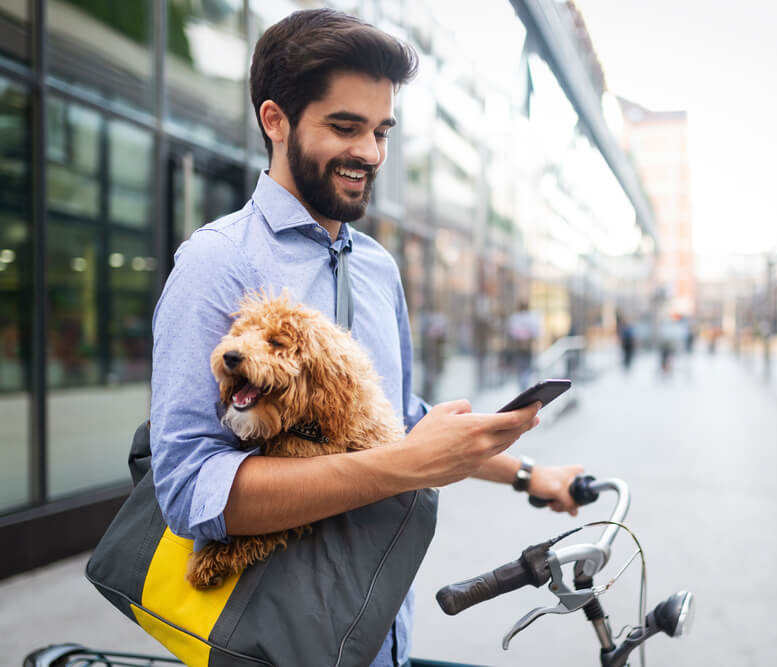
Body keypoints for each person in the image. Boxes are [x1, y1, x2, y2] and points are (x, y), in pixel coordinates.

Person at [149, 10, 583, 666]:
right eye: (345, 127)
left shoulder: (378, 267)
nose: (372, 153)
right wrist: (404, 466)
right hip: (268, 640)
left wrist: (528, 472)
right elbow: (189, 489)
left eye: (382, 131)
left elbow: (396, 427)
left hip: (379, 631)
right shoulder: (218, 261)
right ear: (276, 120)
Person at [507, 301, 541, 390]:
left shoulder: (515, 318)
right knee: (526, 367)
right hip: (527, 347)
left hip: (520, 347)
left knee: (521, 367)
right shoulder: (531, 318)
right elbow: (536, 332)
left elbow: (512, 333)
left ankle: (523, 385)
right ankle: (524, 384)